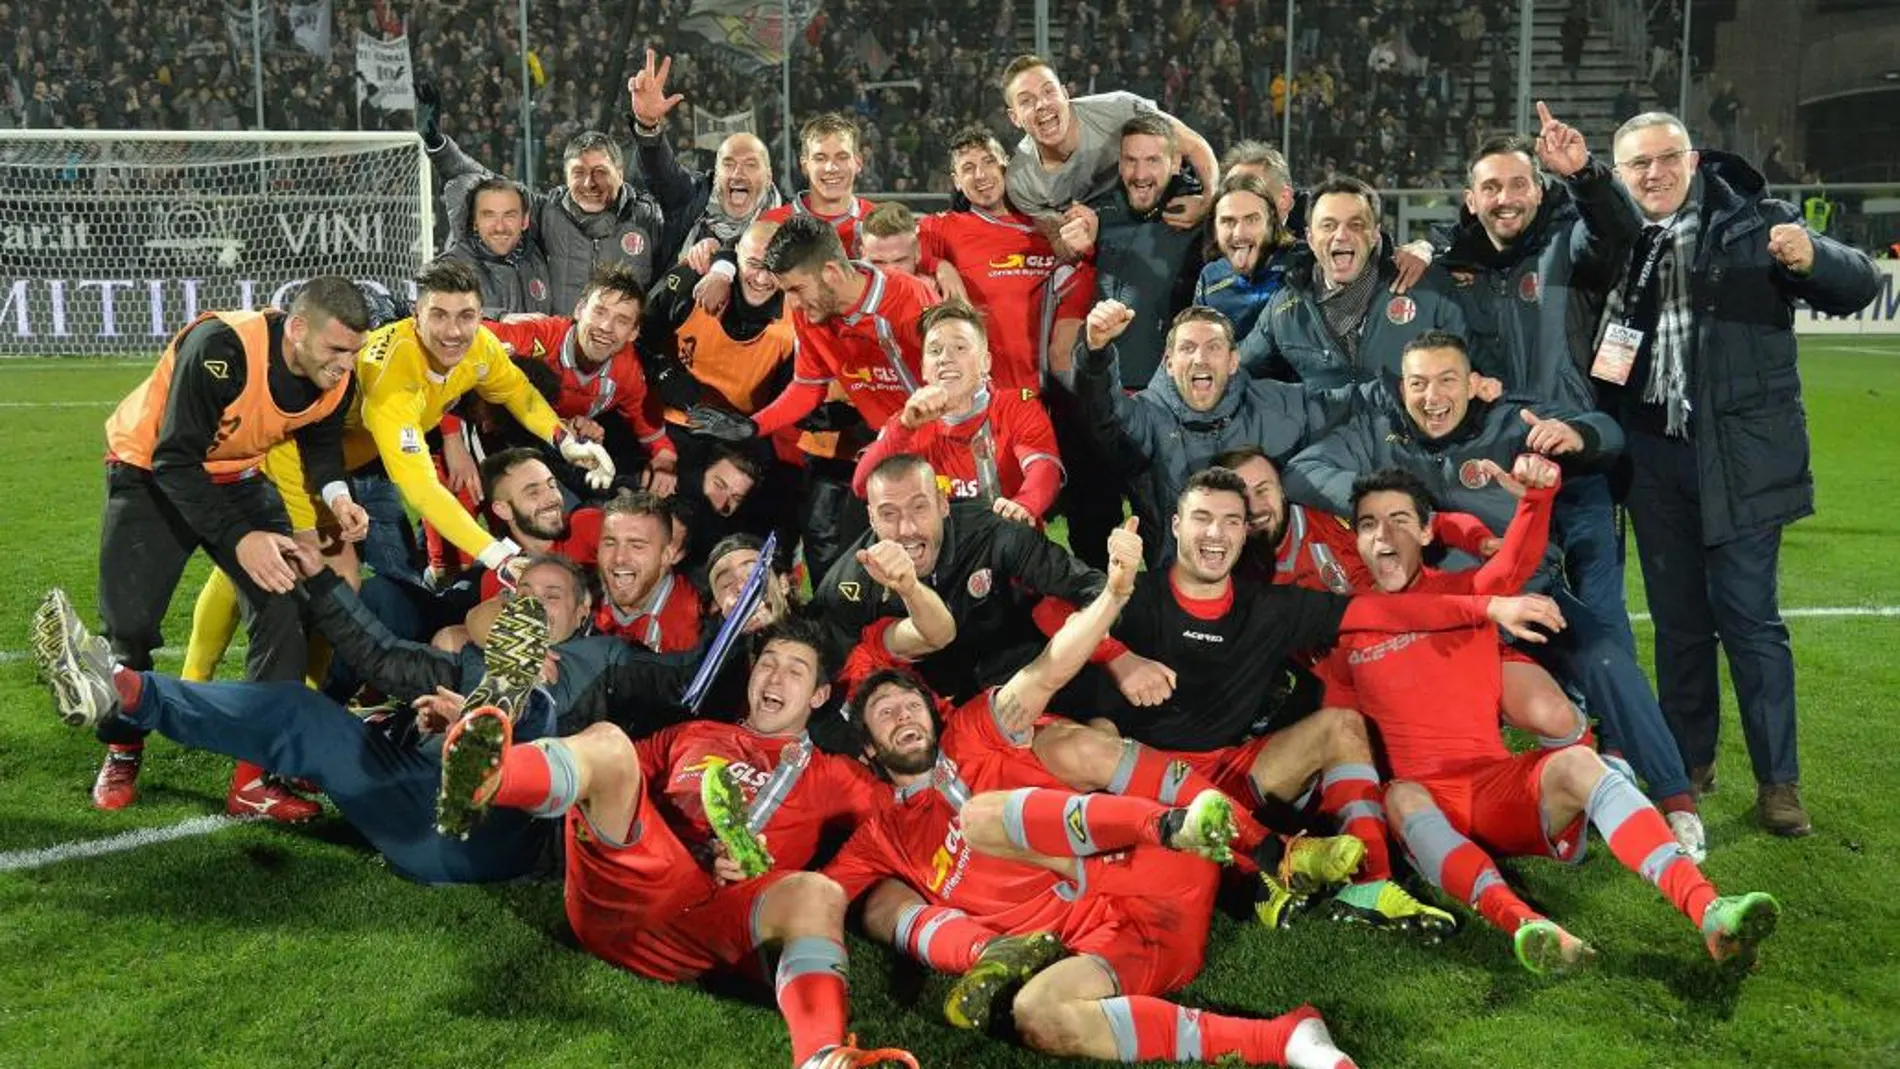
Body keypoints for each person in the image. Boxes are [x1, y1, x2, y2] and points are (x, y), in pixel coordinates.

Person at [824, 522, 1361, 1068]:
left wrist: (1112, 595)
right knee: (1037, 1013)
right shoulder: (881, 835)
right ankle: (1286, 1040)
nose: (904, 714)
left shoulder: (972, 730)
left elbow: (1050, 665)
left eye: (910, 703)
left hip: (1151, 858)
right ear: (868, 748)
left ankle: (1233, 840)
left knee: (992, 807)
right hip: (1121, 934)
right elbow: (816, 904)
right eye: (885, 714)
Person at [1036, 467, 1568, 928]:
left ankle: (1370, 883)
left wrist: (1486, 609)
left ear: (1246, 534)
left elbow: (1381, 613)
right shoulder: (1136, 592)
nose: (1215, 533)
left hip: (1234, 773)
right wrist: (1120, 658)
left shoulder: (1270, 606)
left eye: (1230, 521)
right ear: (1176, 525)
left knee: (1341, 725)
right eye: (1201, 518)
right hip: (1150, 788)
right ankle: (1254, 869)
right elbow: (1048, 609)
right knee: (1092, 741)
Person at [1325, 465, 1782, 975]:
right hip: (1425, 803)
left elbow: (1513, 563)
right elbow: (1338, 733)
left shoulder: (1470, 589)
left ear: (1428, 531)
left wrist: (1536, 498)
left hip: (1495, 788)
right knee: (1400, 794)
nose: (1383, 535)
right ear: (1356, 538)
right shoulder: (1350, 625)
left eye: (1399, 520)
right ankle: (1526, 924)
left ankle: (1709, 910)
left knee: (1579, 764)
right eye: (1368, 524)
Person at [1285, 332, 1710, 857]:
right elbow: (1300, 471)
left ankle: (1675, 802)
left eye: (1447, 381)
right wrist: (1405, 505)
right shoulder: (1380, 433)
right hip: (1448, 622)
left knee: (1604, 658)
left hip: (1528, 598)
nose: (1431, 397)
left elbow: (1607, 433)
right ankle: (1513, 802)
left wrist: (1574, 434)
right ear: (1402, 389)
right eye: (1418, 384)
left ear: (1475, 385)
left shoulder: (1511, 421)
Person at [433, 618, 918, 1069]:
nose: (775, 677)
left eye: (795, 670)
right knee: (608, 742)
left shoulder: (837, 777)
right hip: (630, 884)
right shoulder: (695, 733)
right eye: (767, 663)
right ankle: (490, 772)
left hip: (708, 927)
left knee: (817, 893)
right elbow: (597, 775)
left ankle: (821, 1057)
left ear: (818, 696)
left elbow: (912, 822)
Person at [1601, 112, 1880, 835]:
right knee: (1679, 625)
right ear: (1621, 174)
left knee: (1752, 623)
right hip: (1653, 455)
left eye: (1665, 159)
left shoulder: (1756, 220)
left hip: (1739, 457)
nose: (1653, 174)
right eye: (1638, 166)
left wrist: (1810, 254)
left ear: (1692, 160)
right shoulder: (1619, 236)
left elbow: (1858, 283)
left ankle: (1777, 782)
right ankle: (1691, 762)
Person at [89, 276, 370, 814]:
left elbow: (321, 444)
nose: (346, 365)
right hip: (148, 473)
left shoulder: (336, 374)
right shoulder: (221, 348)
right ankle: (123, 747)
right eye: (336, 349)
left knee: (285, 607)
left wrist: (337, 499)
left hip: (236, 476)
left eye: (354, 352)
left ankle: (254, 777)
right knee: (131, 628)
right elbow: (175, 459)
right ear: (296, 329)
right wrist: (241, 540)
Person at [1435, 106, 1648, 762]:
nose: (1505, 199)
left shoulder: (1568, 243)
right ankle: (1531, 739)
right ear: (1472, 199)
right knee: (1507, 608)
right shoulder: (1451, 271)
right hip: (1498, 482)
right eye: (1491, 188)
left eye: (1518, 184)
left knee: (1602, 615)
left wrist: (1585, 173)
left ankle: (1619, 747)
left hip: (1576, 470)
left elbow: (1619, 230)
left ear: (1539, 187)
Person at [689, 216, 938, 583]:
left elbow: (950, 386)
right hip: (885, 449)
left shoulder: (909, 301)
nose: (790, 303)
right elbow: (808, 385)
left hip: (939, 449)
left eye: (796, 289)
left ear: (833, 272)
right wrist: (754, 425)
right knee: (858, 572)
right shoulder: (811, 311)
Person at [1071, 302, 1360, 564]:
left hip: (1270, 586)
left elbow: (1352, 406)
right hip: (1183, 593)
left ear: (1233, 361)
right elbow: (1105, 417)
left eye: (1213, 347)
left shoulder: (1276, 404)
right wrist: (1096, 353)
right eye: (1187, 348)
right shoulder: (1148, 416)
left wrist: (1405, 386)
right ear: (1169, 364)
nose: (1201, 359)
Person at [814, 454, 1103, 712]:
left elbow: (1091, 588)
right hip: (931, 705)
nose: (907, 529)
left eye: (919, 508)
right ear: (871, 519)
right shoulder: (847, 587)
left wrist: (1117, 656)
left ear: (942, 504)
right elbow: (830, 678)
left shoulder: (995, 533)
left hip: (1024, 664)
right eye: (889, 514)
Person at [420, 82, 667, 306]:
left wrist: (648, 128)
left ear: (620, 172)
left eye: (600, 171)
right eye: (578, 173)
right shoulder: (546, 212)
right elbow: (484, 181)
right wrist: (437, 145)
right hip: (558, 348)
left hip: (628, 350)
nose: (589, 183)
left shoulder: (648, 218)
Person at [1237, 176, 1465, 386]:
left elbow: (1475, 372)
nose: (1342, 235)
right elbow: (1234, 370)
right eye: (1328, 226)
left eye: (1356, 225)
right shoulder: (1286, 309)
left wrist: (1426, 247)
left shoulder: (1425, 287)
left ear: (1375, 234)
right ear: (1310, 237)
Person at [851, 300, 1063, 525]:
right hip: (941, 552)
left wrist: (1024, 505)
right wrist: (904, 427)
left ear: (985, 362)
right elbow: (863, 486)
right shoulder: (906, 422)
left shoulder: (1018, 406)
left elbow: (1044, 468)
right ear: (923, 368)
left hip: (1008, 546)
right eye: (935, 351)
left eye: (960, 347)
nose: (944, 358)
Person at [918, 124, 1093, 394]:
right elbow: (902, 254)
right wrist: (939, 266)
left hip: (1050, 389)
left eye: (989, 161)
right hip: (985, 392)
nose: (980, 175)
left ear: (1005, 166)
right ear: (956, 181)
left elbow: (1083, 271)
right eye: (968, 168)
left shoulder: (1046, 226)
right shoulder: (943, 228)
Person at [481, 264, 679, 494]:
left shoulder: (628, 372)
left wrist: (665, 463)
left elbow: (656, 439)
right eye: (599, 312)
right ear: (579, 310)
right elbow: (454, 341)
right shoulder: (540, 336)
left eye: (622, 320)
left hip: (554, 447)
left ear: (634, 333)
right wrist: (452, 436)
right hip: (488, 434)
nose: (606, 327)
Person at [999, 54, 1219, 233]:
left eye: (1049, 91)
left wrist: (1208, 200)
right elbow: (1057, 238)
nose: (1041, 104)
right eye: (1026, 101)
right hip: (1103, 230)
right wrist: (1073, 242)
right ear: (1014, 117)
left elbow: (1192, 144)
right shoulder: (1020, 182)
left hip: (1155, 201)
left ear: (1065, 94)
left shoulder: (1118, 109)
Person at [627, 48, 783, 262]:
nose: (738, 173)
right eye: (728, 164)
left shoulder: (788, 228)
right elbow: (662, 173)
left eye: (750, 164)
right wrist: (647, 125)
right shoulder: (693, 197)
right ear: (717, 172)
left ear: (769, 176)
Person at [1194, 172, 1292, 344]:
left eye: (1252, 220)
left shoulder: (1303, 264)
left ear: (1271, 222)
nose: (1239, 233)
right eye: (1228, 221)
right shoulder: (1211, 276)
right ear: (1214, 228)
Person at [440, 176, 554, 318]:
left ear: (524, 221)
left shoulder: (538, 257)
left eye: (509, 216)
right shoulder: (452, 266)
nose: (500, 227)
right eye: (489, 216)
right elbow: (430, 308)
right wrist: (499, 318)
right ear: (475, 222)